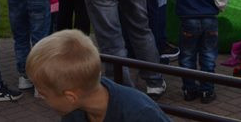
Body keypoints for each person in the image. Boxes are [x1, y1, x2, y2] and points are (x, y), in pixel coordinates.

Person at [25, 30, 169, 122]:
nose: (41, 98)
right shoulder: (74, 112)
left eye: (43, 94)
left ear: (70, 97)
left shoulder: (140, 115)